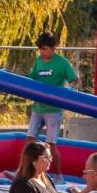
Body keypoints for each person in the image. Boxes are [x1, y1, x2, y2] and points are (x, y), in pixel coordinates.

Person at [26, 32, 79, 179]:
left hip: (54, 110)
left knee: (51, 144)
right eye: (41, 49)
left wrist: (74, 88)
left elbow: (74, 79)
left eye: (46, 49)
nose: (43, 52)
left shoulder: (62, 62)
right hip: (38, 108)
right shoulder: (38, 61)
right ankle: (23, 171)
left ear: (53, 48)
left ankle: (58, 175)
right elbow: (32, 77)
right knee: (30, 140)